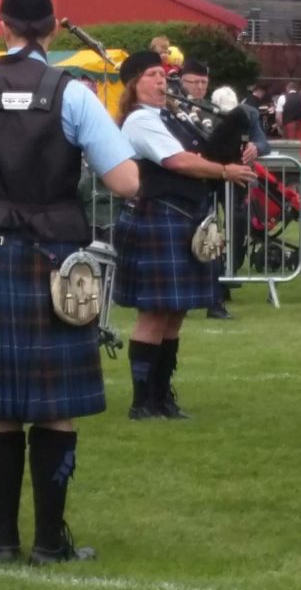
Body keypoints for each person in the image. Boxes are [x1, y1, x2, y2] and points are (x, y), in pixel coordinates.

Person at [0, 0, 139, 565]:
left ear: (3, 25)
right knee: (53, 403)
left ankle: (1, 540)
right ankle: (49, 542)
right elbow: (125, 183)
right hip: (54, 261)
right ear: (50, 29)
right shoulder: (73, 95)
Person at [114, 51, 256, 421]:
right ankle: (141, 401)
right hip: (158, 218)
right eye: (153, 75)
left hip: (184, 220)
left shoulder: (171, 117)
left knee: (175, 313)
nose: (163, 82)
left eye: (164, 75)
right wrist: (225, 171)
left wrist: (237, 148)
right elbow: (176, 161)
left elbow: (201, 151)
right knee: (154, 314)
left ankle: (162, 396)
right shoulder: (140, 121)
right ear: (134, 84)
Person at [178, 60, 258, 320]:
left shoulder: (214, 109)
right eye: (194, 82)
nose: (200, 87)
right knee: (186, 242)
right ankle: (184, 297)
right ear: (182, 81)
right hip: (186, 180)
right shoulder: (174, 107)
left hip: (215, 179)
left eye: (203, 82)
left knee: (212, 240)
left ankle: (215, 298)